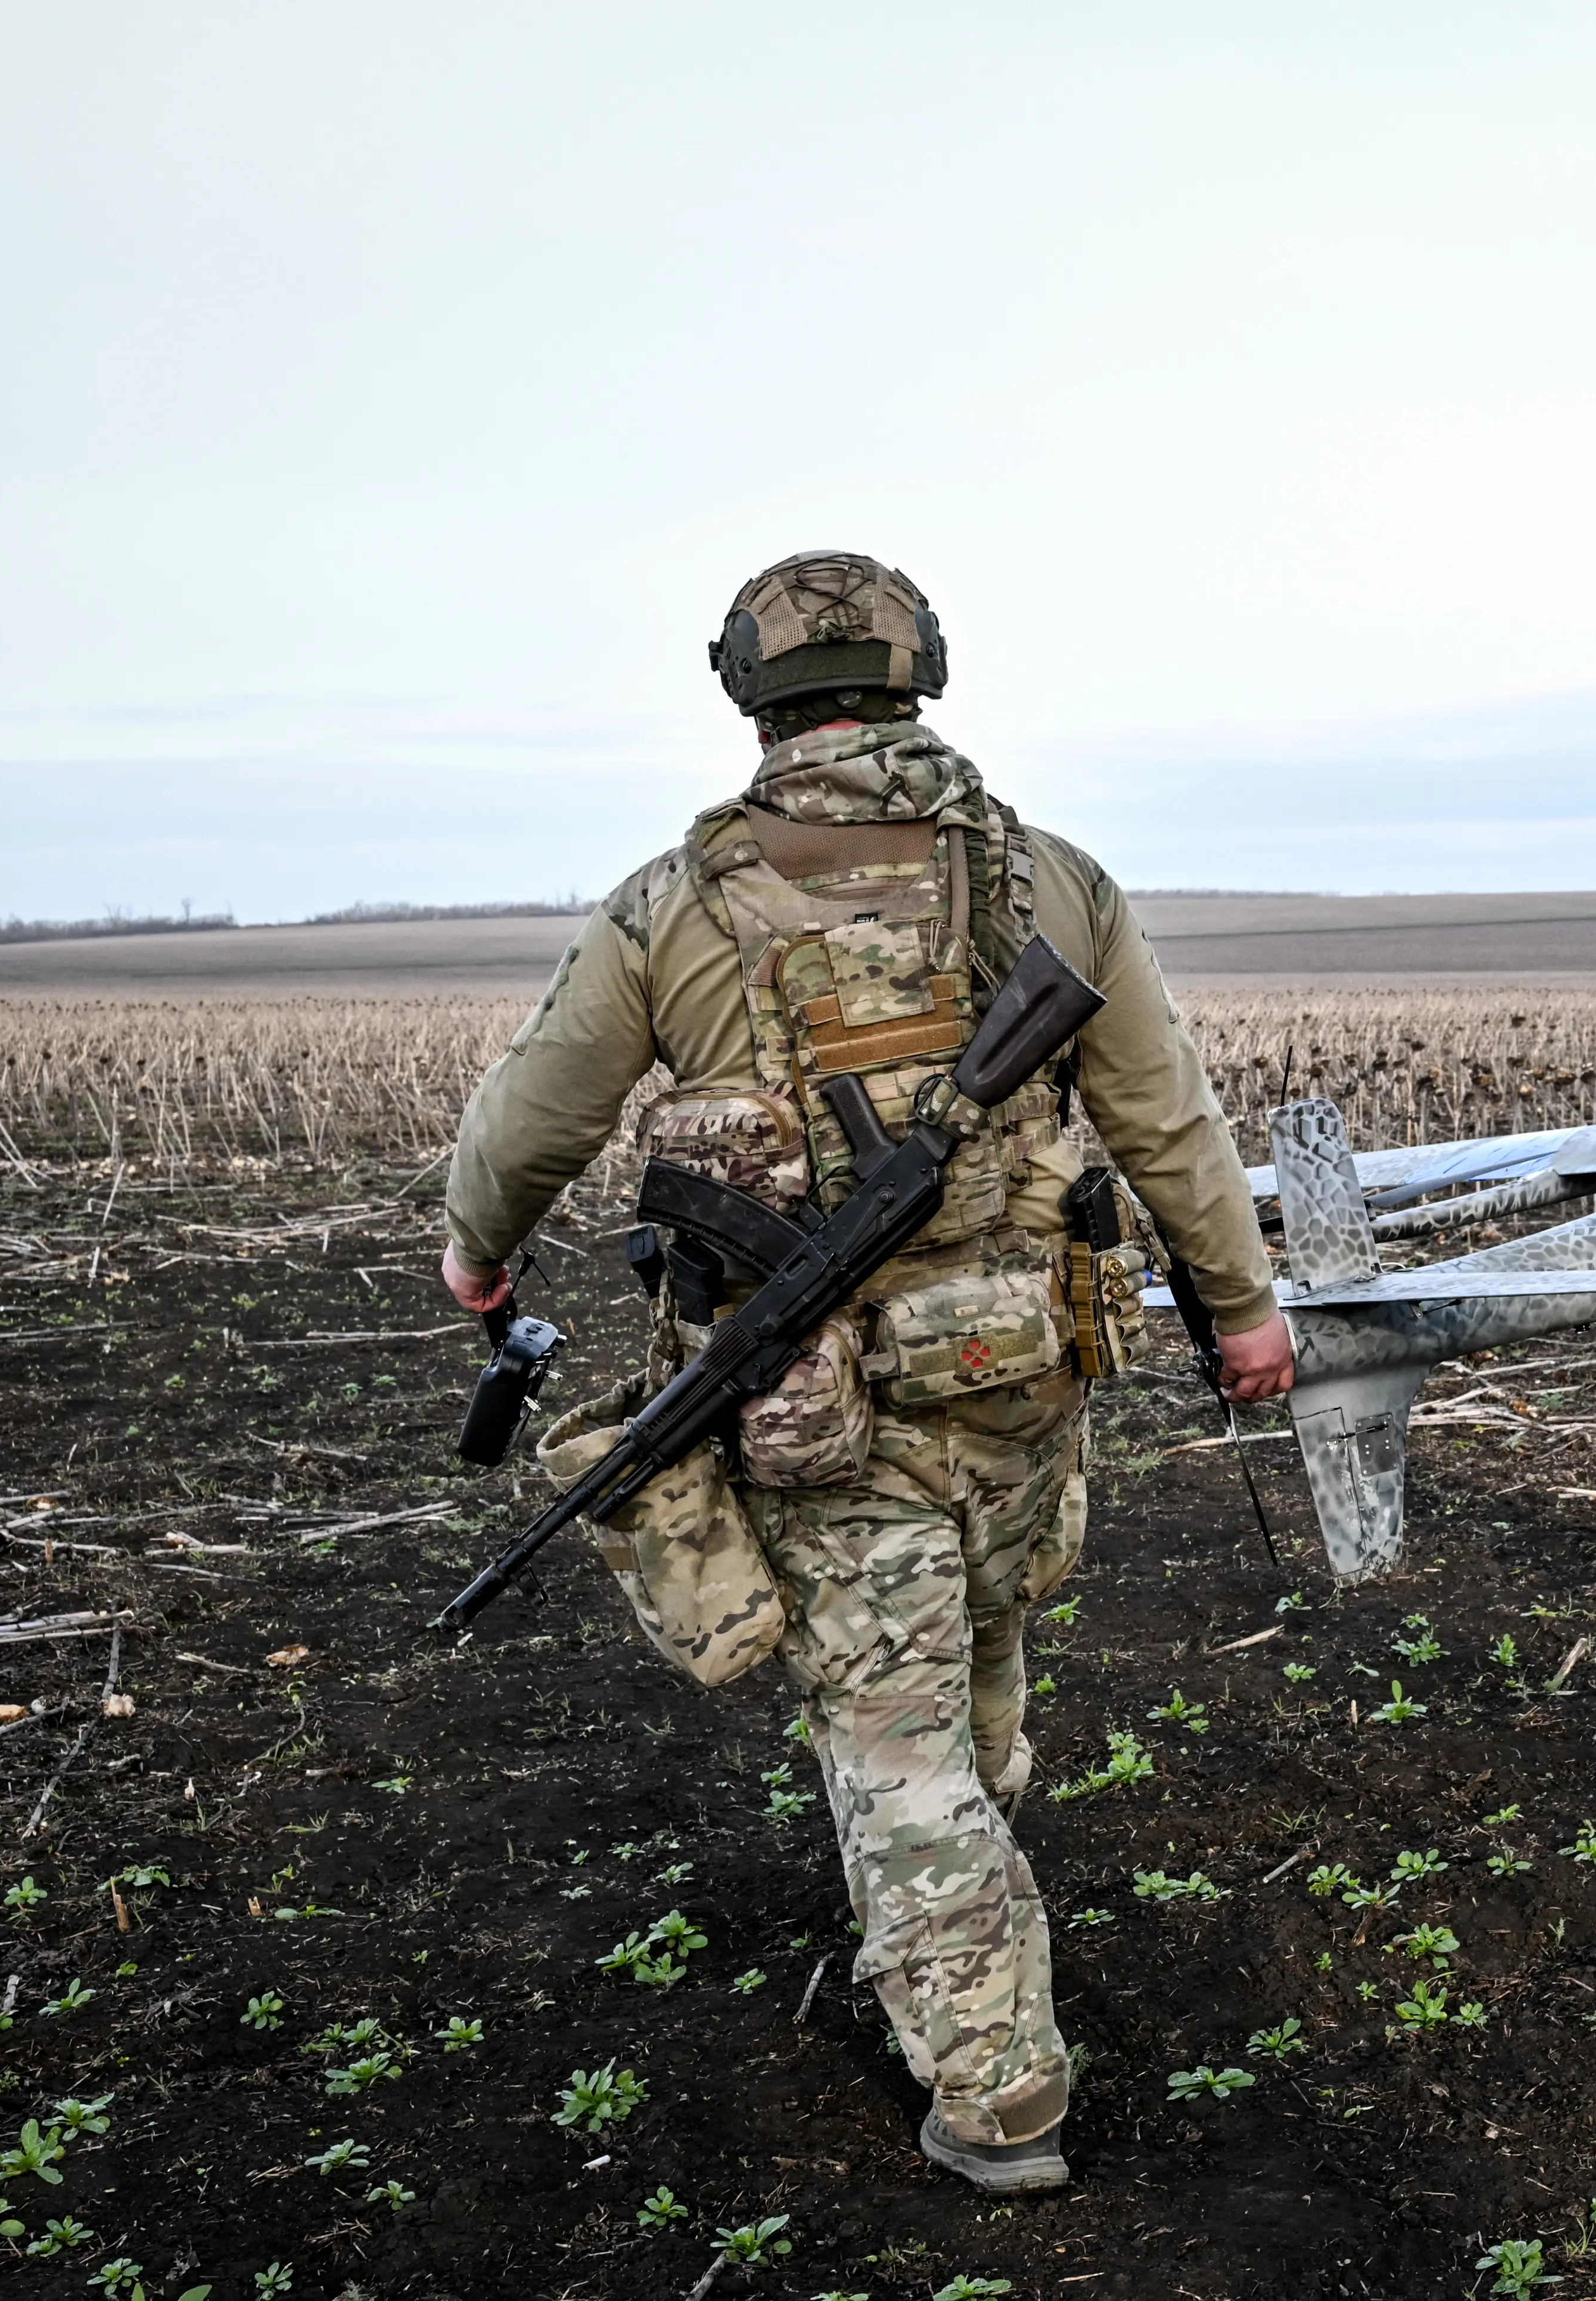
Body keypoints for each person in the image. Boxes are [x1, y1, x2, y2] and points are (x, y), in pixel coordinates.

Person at [438, 552, 1290, 2192]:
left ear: (745, 689)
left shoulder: (671, 906)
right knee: (978, 1650)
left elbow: (530, 1123)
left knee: (894, 1750)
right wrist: (1239, 1306)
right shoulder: (1051, 879)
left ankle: (1000, 2099)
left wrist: (479, 1247)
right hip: (1025, 1379)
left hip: (816, 1418)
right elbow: (1166, 1118)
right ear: (927, 673)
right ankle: (970, 1892)